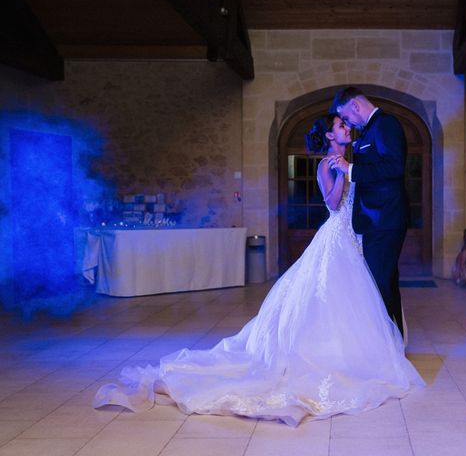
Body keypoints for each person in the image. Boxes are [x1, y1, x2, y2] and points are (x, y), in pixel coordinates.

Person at [92, 114, 424, 426]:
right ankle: (324, 357)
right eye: (340, 125)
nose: (346, 129)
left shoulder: (354, 161)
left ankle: (357, 355)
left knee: (356, 300)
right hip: (335, 236)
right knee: (329, 298)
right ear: (329, 135)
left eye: (345, 124)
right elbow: (334, 204)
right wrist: (339, 173)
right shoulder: (325, 165)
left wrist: (351, 170)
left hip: (354, 238)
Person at [327, 87, 408, 336]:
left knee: (379, 285)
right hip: (375, 220)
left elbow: (394, 167)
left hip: (385, 218)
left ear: (355, 106)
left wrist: (351, 170)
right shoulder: (369, 131)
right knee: (384, 284)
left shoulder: (385, 125)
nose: (348, 123)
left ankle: (388, 345)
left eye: (347, 117)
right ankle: (393, 342)